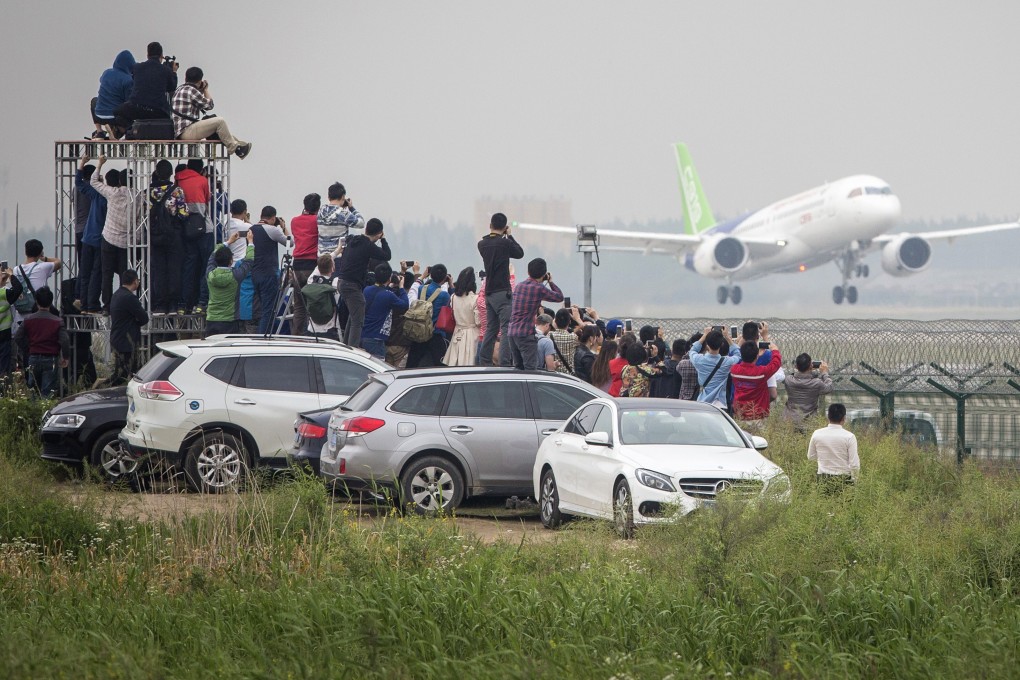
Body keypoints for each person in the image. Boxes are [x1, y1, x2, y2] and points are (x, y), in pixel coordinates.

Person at [171, 67, 252, 159]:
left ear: (186, 78)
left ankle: (239, 146)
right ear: (200, 80)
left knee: (221, 130)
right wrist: (205, 89)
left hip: (181, 131)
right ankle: (236, 149)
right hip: (187, 131)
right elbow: (209, 105)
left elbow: (196, 101)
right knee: (220, 121)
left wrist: (200, 90)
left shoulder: (180, 89)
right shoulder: (191, 90)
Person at [477, 213, 525, 367]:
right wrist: (509, 236)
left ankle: (484, 360)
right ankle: (504, 363)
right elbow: (519, 253)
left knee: (491, 328)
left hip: (489, 292)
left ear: (490, 225)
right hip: (502, 292)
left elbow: (492, 241)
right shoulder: (505, 244)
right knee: (506, 329)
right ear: (505, 227)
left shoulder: (482, 244)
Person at [337, 218, 390, 347]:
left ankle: (346, 346)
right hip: (352, 286)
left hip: (342, 282)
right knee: (358, 321)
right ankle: (352, 351)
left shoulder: (353, 240)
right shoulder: (368, 245)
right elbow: (386, 255)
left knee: (353, 316)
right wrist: (383, 239)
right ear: (378, 234)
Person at [90, 156, 131, 313]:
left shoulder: (113, 193)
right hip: (127, 241)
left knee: (107, 274)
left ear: (120, 181)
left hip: (108, 238)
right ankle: (123, 305)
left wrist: (100, 164)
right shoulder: (139, 197)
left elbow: (94, 182)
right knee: (124, 275)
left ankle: (107, 306)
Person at [506, 258, 563, 371]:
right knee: (530, 370)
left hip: (512, 332)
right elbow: (559, 297)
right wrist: (550, 281)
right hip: (525, 334)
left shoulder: (519, 286)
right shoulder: (539, 288)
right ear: (544, 274)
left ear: (528, 272)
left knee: (518, 369)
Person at [14, 287, 69, 398]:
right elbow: (65, 340)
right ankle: (45, 413)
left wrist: (28, 348)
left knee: (33, 391)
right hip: (51, 358)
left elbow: (18, 337)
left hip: (33, 357)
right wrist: (66, 357)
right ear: (51, 301)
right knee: (47, 393)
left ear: (36, 301)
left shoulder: (28, 319)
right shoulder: (57, 321)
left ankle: (33, 414)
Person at [148, 160, 187, 315]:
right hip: (173, 235)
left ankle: (159, 305)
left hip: (155, 236)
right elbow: (183, 214)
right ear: (171, 174)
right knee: (174, 270)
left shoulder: (148, 191)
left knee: (158, 270)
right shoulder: (177, 191)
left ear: (156, 173)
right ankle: (172, 305)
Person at [176, 159, 213, 314]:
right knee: (207, 266)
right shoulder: (203, 180)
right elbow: (208, 199)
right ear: (200, 169)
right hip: (204, 229)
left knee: (189, 267)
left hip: (187, 229)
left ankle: (184, 304)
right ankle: (202, 303)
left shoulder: (178, 180)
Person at [204, 230, 255, 337]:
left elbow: (212, 256)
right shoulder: (236, 276)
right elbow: (249, 261)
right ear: (231, 261)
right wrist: (250, 242)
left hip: (211, 319)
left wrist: (228, 242)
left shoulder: (210, 274)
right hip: (230, 321)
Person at [248, 207, 289, 335]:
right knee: (269, 310)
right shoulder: (273, 230)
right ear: (273, 218)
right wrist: (284, 227)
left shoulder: (251, 229)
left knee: (263, 309)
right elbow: (290, 243)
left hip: (255, 274)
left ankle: (262, 334)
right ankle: (264, 337)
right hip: (269, 274)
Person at [116, 42, 177, 125]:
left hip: (137, 108)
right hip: (158, 111)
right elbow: (171, 87)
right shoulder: (165, 70)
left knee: (117, 111)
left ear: (147, 55)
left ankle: (128, 131)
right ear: (161, 55)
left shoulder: (137, 68)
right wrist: (173, 72)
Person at [407, 264, 452, 367]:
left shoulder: (421, 289)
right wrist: (451, 285)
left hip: (418, 332)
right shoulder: (444, 295)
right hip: (434, 334)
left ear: (430, 275)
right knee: (440, 366)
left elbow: (413, 289)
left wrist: (422, 276)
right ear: (445, 277)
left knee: (412, 364)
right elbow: (451, 303)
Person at [108, 270, 148, 385]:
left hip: (117, 339)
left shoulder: (116, 294)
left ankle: (107, 390)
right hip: (127, 342)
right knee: (123, 375)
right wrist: (135, 322)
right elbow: (144, 318)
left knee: (122, 373)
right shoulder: (130, 298)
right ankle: (106, 392)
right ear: (135, 281)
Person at [362, 262, 410, 358]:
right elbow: (405, 305)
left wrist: (391, 284)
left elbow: (380, 291)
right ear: (389, 278)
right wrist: (401, 287)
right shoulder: (388, 295)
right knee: (378, 369)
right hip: (376, 340)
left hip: (363, 335)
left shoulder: (366, 290)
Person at [808, 403, 860, 490]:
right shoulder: (849, 437)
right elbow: (854, 464)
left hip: (823, 479)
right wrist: (854, 481)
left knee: (823, 503)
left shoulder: (817, 433)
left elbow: (811, 457)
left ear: (828, 417)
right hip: (844, 481)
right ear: (844, 418)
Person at [730, 340, 783, 425]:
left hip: (740, 414)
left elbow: (737, 359)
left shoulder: (734, 370)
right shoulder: (761, 373)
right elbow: (775, 364)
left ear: (741, 355)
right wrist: (775, 350)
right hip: (758, 415)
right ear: (756, 356)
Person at [290, 193, 322, 336]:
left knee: (299, 307)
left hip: (297, 266)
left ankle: (296, 336)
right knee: (314, 304)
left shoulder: (294, 221)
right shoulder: (317, 221)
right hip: (312, 265)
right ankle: (312, 335)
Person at [688, 327, 742, 409]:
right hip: (720, 404)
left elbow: (692, 350)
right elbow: (738, 354)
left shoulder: (699, 360)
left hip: (703, 402)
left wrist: (704, 336)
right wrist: (727, 337)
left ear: (707, 345)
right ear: (721, 344)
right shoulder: (727, 362)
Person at [13, 239, 62, 323]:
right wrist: (44, 258)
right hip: (38, 315)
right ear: (40, 253)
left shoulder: (15, 270)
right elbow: (59, 262)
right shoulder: (43, 268)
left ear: (25, 252)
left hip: (20, 318)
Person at [92, 50, 135, 138]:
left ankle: (99, 131)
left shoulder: (106, 73)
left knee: (94, 101)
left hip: (99, 116)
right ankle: (121, 130)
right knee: (128, 108)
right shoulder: (128, 80)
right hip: (115, 117)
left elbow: (101, 80)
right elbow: (128, 101)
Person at [442, 267, 480, 366]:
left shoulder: (453, 297)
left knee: (455, 361)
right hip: (472, 334)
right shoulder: (475, 299)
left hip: (457, 332)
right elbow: (478, 322)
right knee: (470, 362)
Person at [783, 353, 834, 426]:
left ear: (796, 366)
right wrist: (824, 373)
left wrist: (807, 369)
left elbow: (796, 375)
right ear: (811, 365)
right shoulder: (816, 383)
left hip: (789, 420)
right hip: (809, 421)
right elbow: (829, 387)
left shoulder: (788, 380)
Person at [317, 182, 365, 257]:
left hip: (322, 257)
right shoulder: (344, 214)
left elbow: (332, 212)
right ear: (343, 197)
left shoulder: (320, 211)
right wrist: (351, 208)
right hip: (338, 255)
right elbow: (361, 223)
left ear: (329, 197)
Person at [0, 267, 24, 379]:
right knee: (4, 367)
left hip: (4, 334)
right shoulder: (4, 293)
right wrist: (11, 275)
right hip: (4, 335)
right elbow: (18, 288)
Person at [550, 308, 580, 375]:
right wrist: (577, 319)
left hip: (554, 373)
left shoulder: (549, 335)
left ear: (555, 321)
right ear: (569, 322)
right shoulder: (573, 337)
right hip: (569, 375)